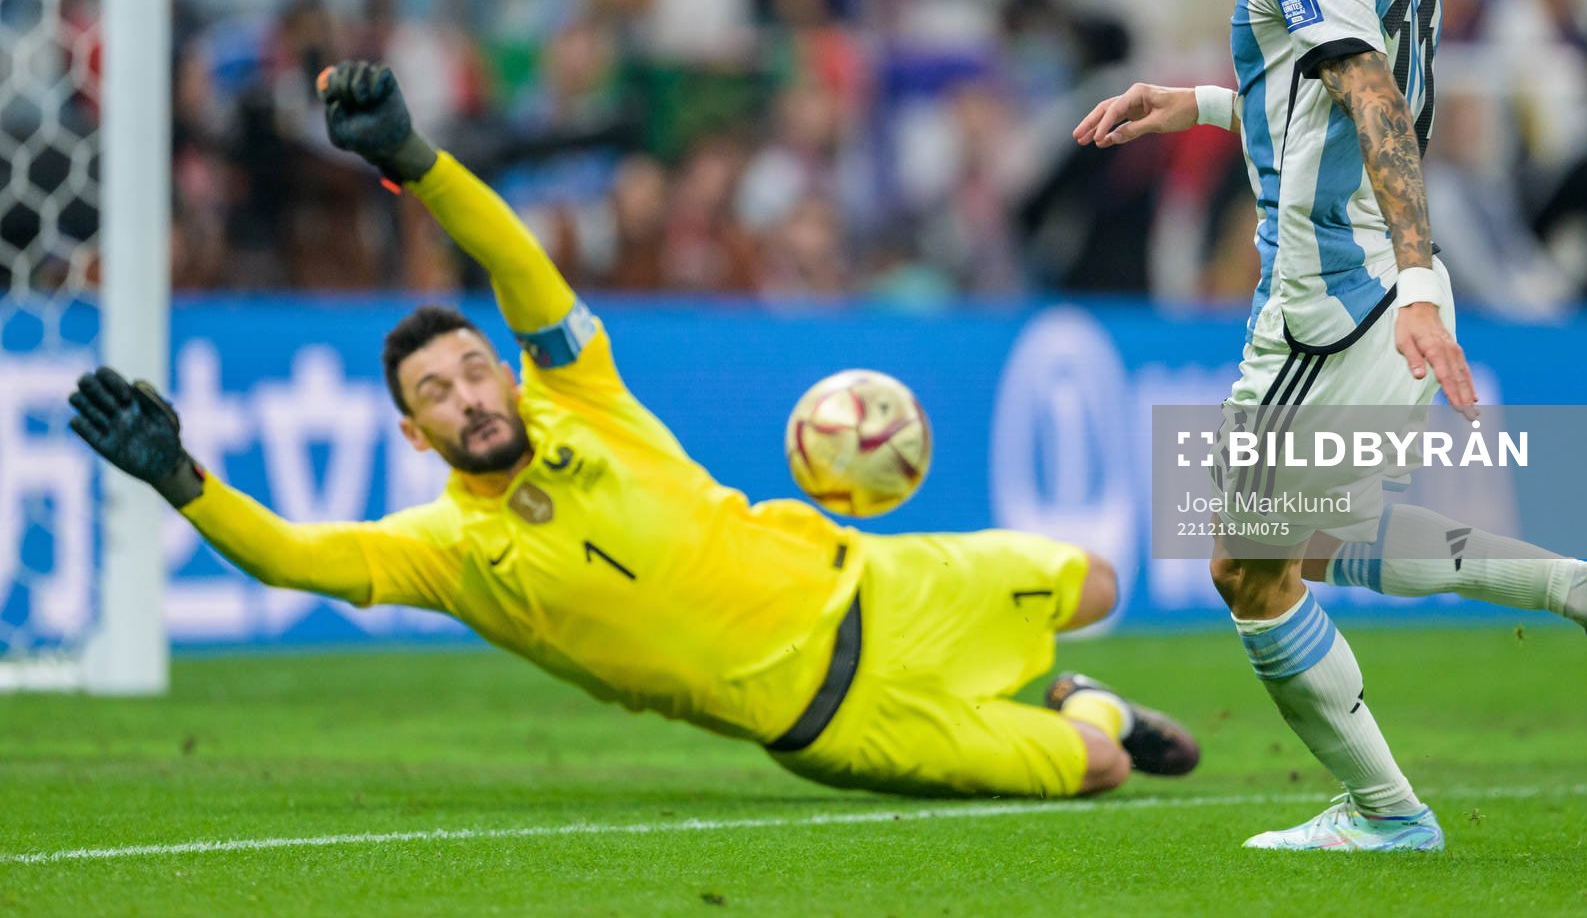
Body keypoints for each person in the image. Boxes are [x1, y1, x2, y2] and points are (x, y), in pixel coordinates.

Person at [69, 61, 1198, 801]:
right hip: (837, 721)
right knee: (1099, 765)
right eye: (437, 395)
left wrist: (414, 161)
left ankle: (1071, 676)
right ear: (415, 435)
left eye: (473, 370)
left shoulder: (578, 394)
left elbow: (514, 260)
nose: (468, 395)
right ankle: (1082, 702)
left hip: (884, 584)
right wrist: (180, 476)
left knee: (1097, 582)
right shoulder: (454, 555)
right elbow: (293, 556)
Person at [1073, 0, 1587, 853]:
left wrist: (1410, 282)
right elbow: (1328, 99)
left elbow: (1370, 95)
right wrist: (1196, 104)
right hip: (1388, 283)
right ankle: (1585, 592)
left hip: (1335, 295)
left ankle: (1388, 811)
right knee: (1308, 540)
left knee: (1245, 569)